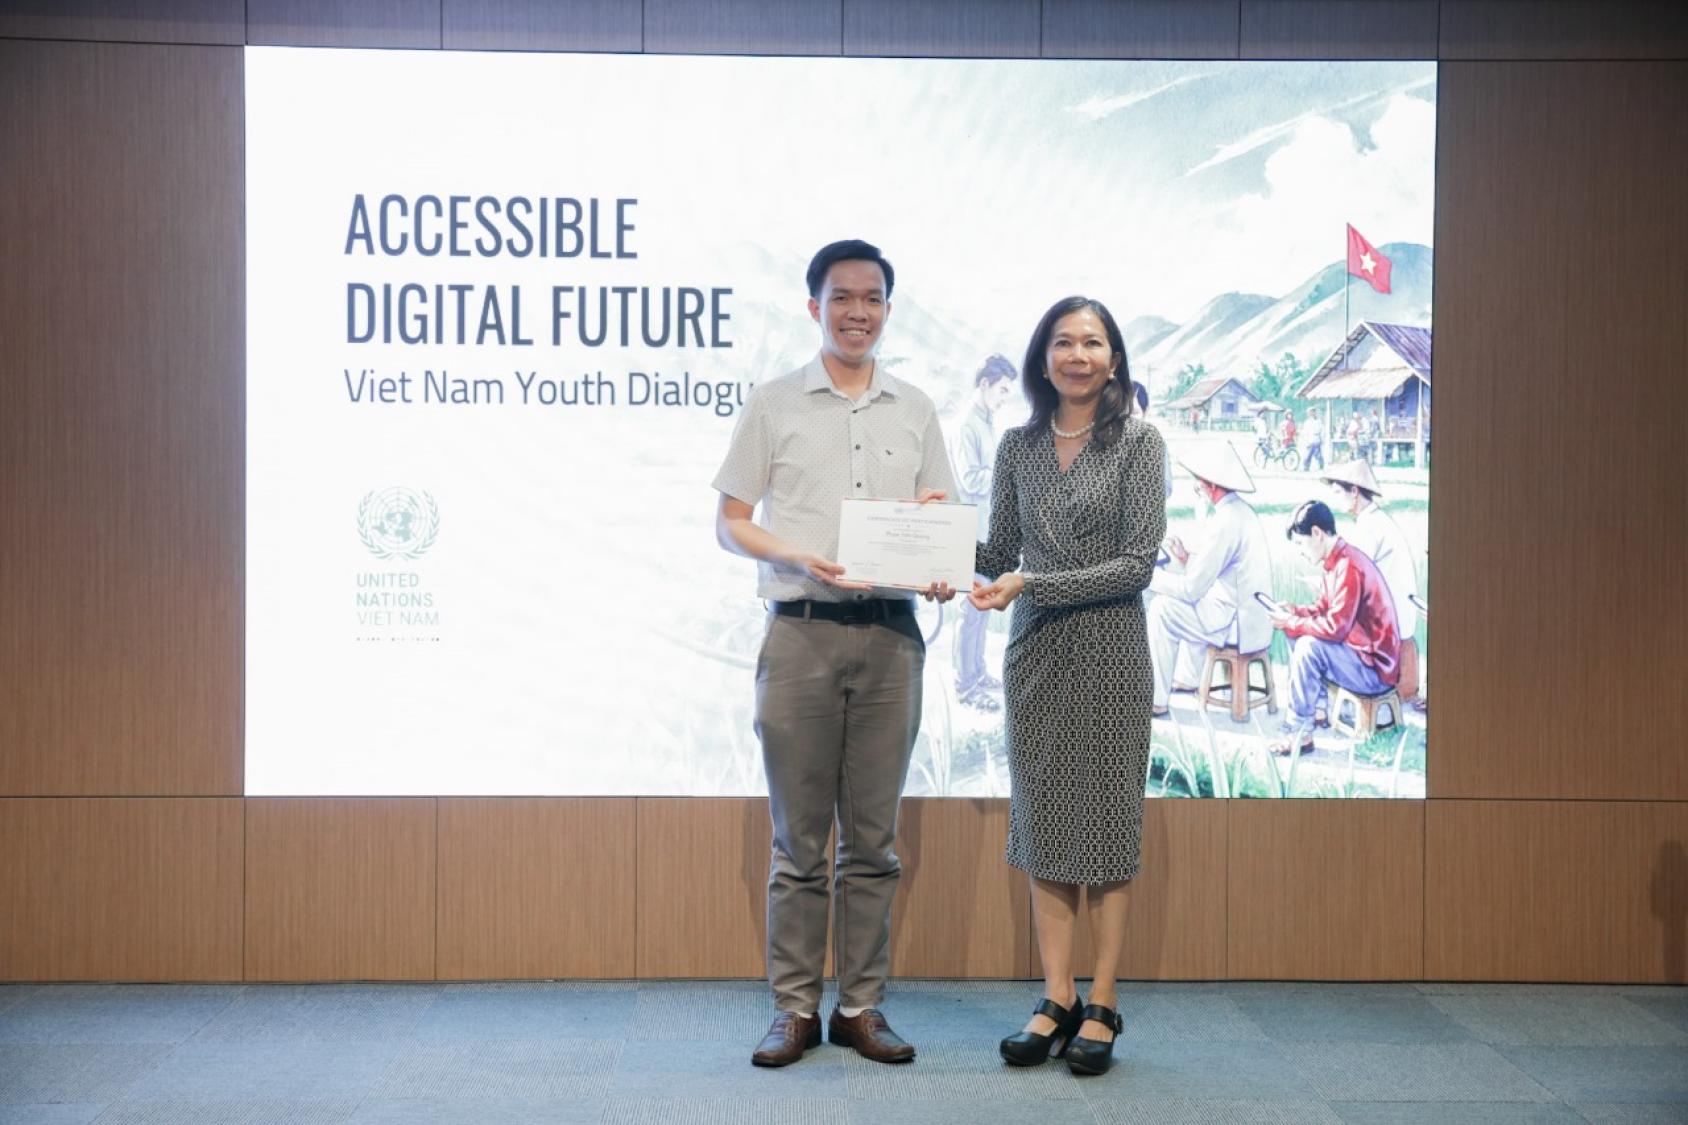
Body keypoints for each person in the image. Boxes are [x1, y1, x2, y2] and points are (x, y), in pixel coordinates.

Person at [713, 239, 958, 1068]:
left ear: (889, 308)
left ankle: (860, 1004)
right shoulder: (776, 402)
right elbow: (730, 518)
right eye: (843, 296)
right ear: (814, 304)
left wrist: (933, 538)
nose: (859, 312)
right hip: (801, 633)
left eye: (874, 299)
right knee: (797, 841)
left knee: (874, 841)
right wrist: (792, 553)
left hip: (893, 637)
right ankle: (792, 1007)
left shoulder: (916, 407)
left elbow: (943, 518)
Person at [970, 296, 1166, 1076]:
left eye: (1093, 342)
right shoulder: (1017, 446)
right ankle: (1057, 996)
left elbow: (1137, 563)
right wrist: (933, 541)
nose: (1078, 354)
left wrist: (1030, 583)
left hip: (1114, 650)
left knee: (1109, 831)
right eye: (1063, 341)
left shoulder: (1139, 443)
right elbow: (997, 553)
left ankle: (1105, 997)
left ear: (1114, 359)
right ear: (1041, 357)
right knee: (1045, 826)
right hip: (1037, 658)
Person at [1266, 500, 1402, 755]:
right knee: (1296, 632)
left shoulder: (1348, 566)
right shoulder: (1338, 562)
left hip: (1374, 671)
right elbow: (1324, 611)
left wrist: (1292, 621)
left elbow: (1335, 628)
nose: (1300, 551)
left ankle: (1299, 734)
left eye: (1299, 543)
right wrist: (1295, 611)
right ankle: (1317, 711)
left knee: (1306, 645)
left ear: (1317, 533)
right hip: (1361, 657)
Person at [1145, 443, 1273, 715]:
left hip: (1236, 621)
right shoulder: (1241, 513)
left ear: (1212, 486)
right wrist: (1187, 559)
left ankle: (1157, 699)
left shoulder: (1225, 521)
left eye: (1199, 482)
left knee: (1162, 609)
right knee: (1195, 603)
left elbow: (1191, 589)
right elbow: (1220, 570)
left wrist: (1147, 577)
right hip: (1248, 616)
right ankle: (1188, 678)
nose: (1196, 487)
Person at [950, 355, 1018, 712]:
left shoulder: (987, 421)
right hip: (969, 529)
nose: (1005, 397)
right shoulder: (966, 424)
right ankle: (965, 684)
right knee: (970, 608)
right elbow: (969, 479)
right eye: (1003, 390)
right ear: (985, 384)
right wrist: (1005, 473)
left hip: (985, 529)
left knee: (983, 604)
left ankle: (976, 672)